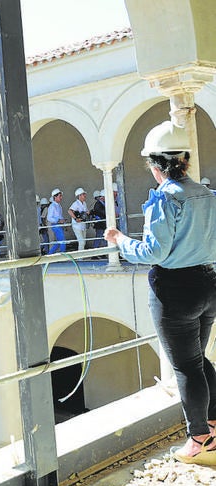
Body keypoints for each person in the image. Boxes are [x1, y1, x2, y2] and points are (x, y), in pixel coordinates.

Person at [104, 120, 216, 465]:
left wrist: (121, 241)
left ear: (155, 166)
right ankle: (212, 425)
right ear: (183, 160)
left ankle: (199, 440)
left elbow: (154, 252)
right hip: (210, 284)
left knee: (186, 365)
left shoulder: (163, 200)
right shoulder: (208, 195)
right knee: (199, 360)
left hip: (175, 291)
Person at [46, 189, 66, 254]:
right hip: (56, 225)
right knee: (62, 240)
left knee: (58, 242)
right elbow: (49, 218)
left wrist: (63, 223)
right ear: (55, 197)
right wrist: (58, 220)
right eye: (60, 196)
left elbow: (60, 216)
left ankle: (49, 254)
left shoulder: (59, 206)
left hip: (59, 225)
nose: (61, 198)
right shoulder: (52, 206)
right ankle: (64, 256)